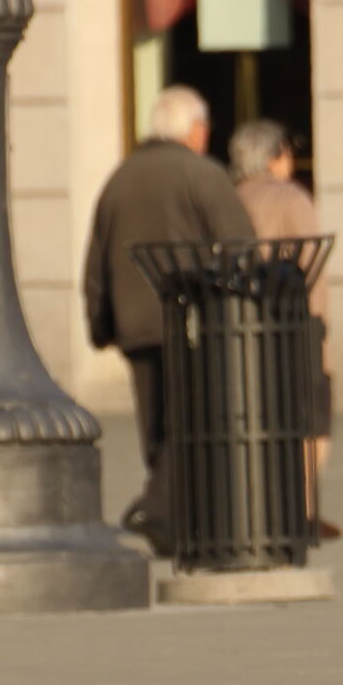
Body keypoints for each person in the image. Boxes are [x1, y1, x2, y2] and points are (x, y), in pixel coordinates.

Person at [82, 85, 254, 553]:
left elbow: (97, 257)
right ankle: (160, 512)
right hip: (194, 319)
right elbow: (240, 244)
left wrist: (100, 322)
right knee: (191, 420)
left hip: (136, 323)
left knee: (157, 423)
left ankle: (172, 517)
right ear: (194, 129)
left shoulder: (120, 178)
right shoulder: (202, 174)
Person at [230, 117, 340, 541]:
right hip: (300, 324)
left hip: (247, 326)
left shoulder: (231, 197)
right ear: (275, 155)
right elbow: (311, 262)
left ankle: (261, 508)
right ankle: (305, 508)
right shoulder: (291, 197)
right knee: (313, 418)